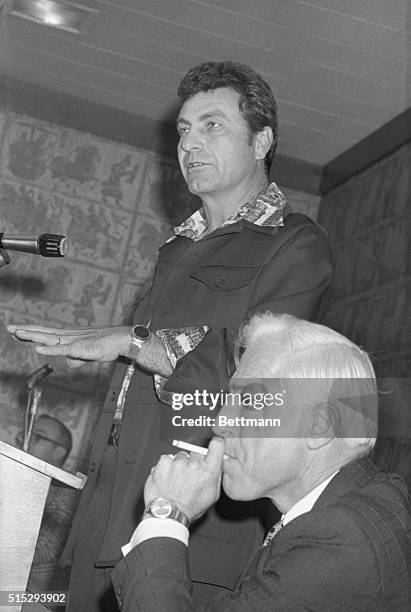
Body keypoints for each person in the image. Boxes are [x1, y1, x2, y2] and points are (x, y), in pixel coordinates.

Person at [7, 61, 333, 611]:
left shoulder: (297, 245)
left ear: (262, 141)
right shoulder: (176, 248)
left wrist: (128, 341)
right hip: (108, 514)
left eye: (212, 126)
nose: (190, 144)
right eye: (183, 130)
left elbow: (253, 373)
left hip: (193, 530)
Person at [111, 313, 411, 611]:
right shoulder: (359, 505)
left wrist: (167, 515)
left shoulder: (342, 540)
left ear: (319, 427)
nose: (220, 423)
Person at [20, 416, 80, 598]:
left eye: (37, 436)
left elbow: (31, 551)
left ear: (59, 452)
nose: (25, 440)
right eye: (25, 433)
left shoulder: (67, 495)